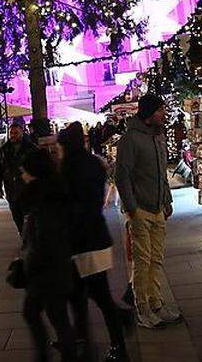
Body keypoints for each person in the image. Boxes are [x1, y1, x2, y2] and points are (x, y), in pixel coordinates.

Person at [58, 122, 129, 362]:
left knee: (96, 296)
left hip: (83, 241)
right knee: (85, 294)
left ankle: (116, 346)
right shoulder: (91, 164)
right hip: (95, 237)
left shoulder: (70, 169)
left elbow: (74, 206)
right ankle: (82, 342)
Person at [114, 93, 179, 328]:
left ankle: (156, 303)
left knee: (156, 259)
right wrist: (132, 209)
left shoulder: (158, 136)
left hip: (158, 207)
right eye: (160, 110)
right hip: (140, 209)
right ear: (149, 113)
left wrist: (167, 199)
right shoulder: (131, 139)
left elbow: (162, 172)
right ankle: (142, 308)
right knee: (142, 261)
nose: (164, 114)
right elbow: (122, 177)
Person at [19, 147, 78, 362]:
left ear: (34, 171)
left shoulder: (43, 199)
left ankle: (50, 356)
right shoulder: (50, 192)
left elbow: (44, 238)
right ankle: (60, 354)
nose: (22, 174)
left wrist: (28, 264)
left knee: (36, 312)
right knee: (56, 316)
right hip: (54, 268)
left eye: (24, 170)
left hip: (47, 270)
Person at [0, 118, 37, 234]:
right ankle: (24, 238)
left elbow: (38, 167)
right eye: (11, 133)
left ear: (22, 132)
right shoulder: (4, 150)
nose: (13, 135)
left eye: (15, 133)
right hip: (11, 189)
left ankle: (29, 240)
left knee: (29, 218)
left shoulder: (31, 148)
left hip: (27, 190)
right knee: (17, 217)